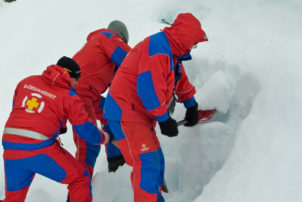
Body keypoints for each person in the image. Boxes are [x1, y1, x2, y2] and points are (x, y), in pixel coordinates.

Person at [103, 13, 208, 202]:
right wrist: (163, 119)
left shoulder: (171, 53)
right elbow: (148, 89)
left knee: (156, 160)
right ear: (186, 38)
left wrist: (191, 104)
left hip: (138, 115)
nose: (194, 47)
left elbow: (179, 78)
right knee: (147, 163)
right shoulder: (158, 49)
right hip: (125, 112)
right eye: (194, 43)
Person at [1, 56, 109, 202]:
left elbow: (19, 108)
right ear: (70, 76)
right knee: (80, 179)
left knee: (13, 199)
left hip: (11, 149)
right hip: (38, 150)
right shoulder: (68, 96)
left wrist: (59, 125)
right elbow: (85, 130)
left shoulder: (27, 82)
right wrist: (104, 137)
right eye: (76, 79)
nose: (76, 84)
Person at [71, 20, 131, 177]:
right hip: (79, 95)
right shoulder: (108, 38)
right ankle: (78, 192)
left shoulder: (98, 49)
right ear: (121, 38)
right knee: (88, 143)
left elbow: (119, 88)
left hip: (86, 95)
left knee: (110, 113)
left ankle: (116, 160)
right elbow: (133, 60)